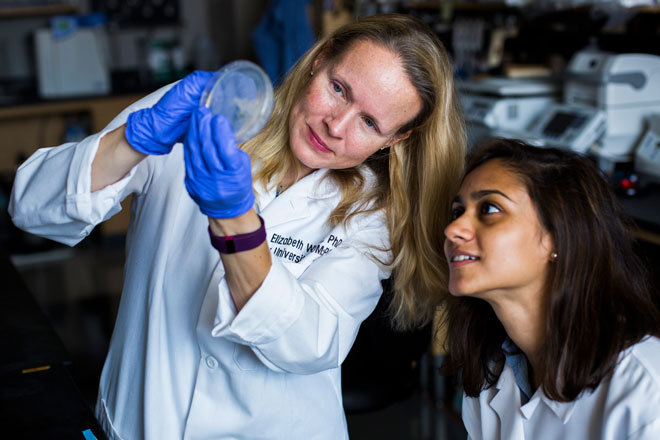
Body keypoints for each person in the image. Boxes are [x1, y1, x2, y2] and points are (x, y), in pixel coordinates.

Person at [9, 14, 465, 440]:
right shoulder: (207, 113)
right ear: (319, 60)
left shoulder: (374, 212)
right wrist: (132, 140)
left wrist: (235, 219)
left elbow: (309, 343)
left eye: (369, 122)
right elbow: (31, 208)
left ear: (396, 138)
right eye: (339, 89)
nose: (335, 125)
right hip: (143, 420)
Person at [440, 138, 660, 440]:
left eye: (489, 208)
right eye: (457, 211)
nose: (453, 229)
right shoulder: (491, 372)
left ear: (556, 238)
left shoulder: (647, 393)